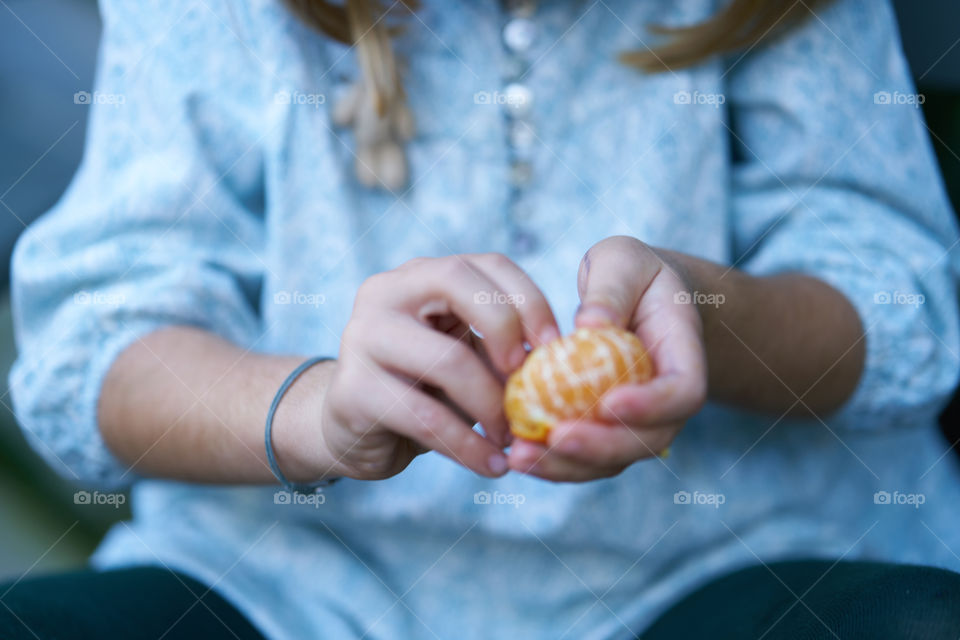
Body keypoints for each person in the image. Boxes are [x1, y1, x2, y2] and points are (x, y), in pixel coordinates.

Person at [4, 0, 960, 638]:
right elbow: (95, 349)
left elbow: (898, 307)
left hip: (723, 566)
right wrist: (318, 409)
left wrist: (707, 314)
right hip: (285, 592)